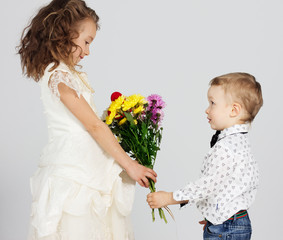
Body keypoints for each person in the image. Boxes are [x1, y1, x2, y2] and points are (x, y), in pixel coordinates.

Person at [17, 0, 157, 239]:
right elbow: (93, 125)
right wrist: (130, 165)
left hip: (88, 165)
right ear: (65, 34)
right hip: (76, 172)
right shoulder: (59, 76)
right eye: (86, 42)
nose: (87, 51)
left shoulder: (65, 73)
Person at [147, 73, 263, 240]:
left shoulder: (226, 148)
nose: (207, 109)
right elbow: (237, 183)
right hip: (229, 222)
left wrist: (170, 198)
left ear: (234, 110)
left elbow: (206, 186)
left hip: (227, 228)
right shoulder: (239, 142)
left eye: (213, 103)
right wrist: (215, 214)